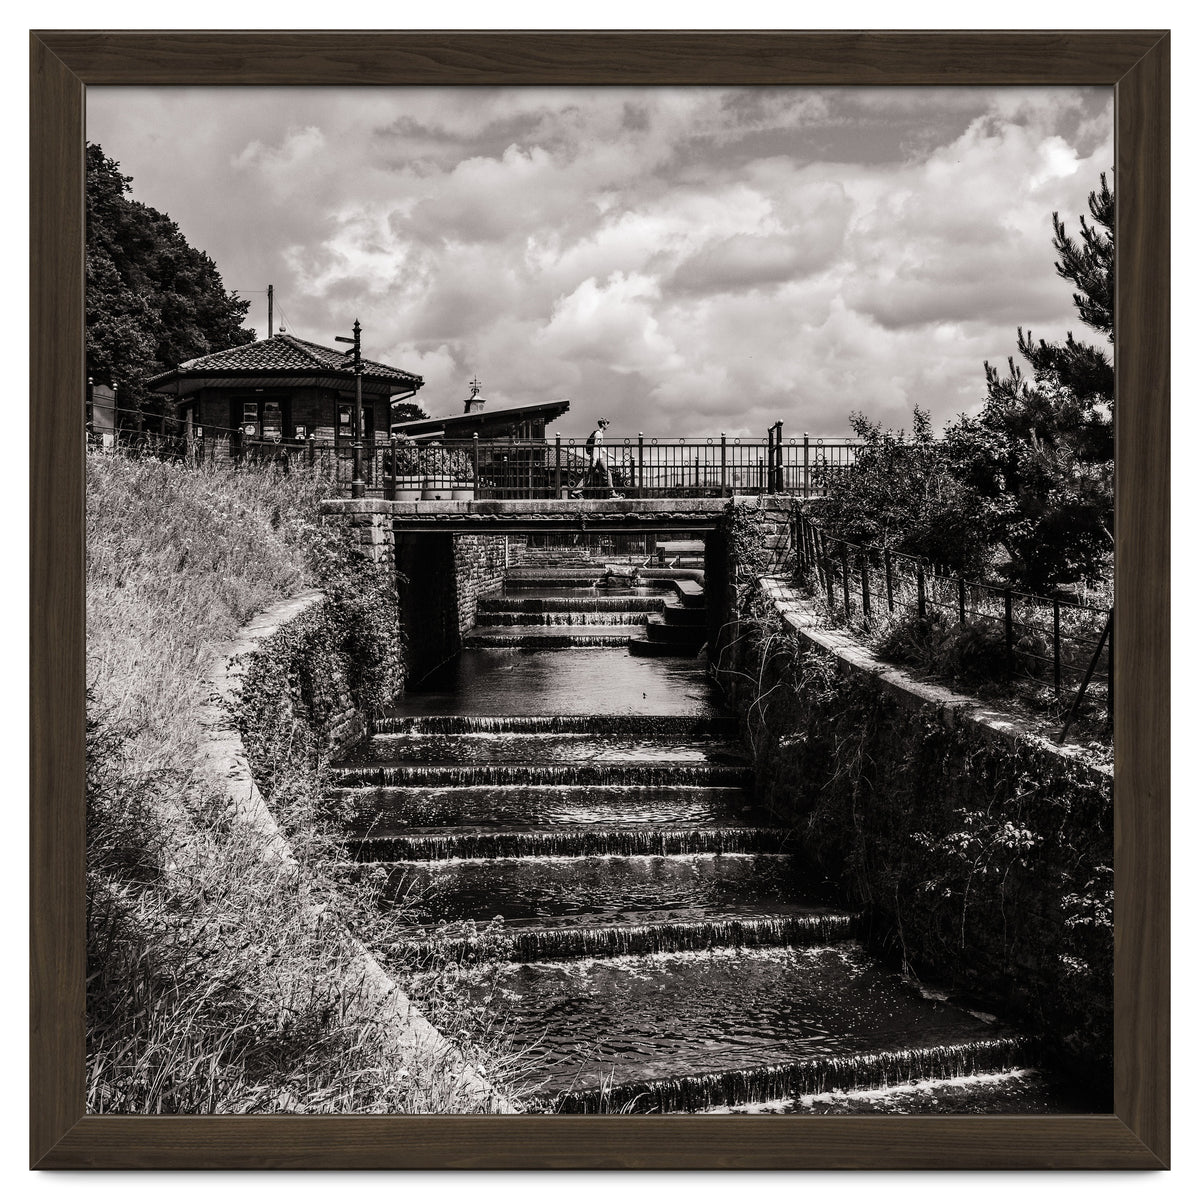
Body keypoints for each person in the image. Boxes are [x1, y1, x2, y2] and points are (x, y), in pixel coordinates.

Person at [569, 417, 622, 498]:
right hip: (598, 458)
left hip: (596, 458)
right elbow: (596, 447)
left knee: (588, 476)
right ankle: (612, 493)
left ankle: (576, 492)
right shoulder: (598, 434)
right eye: (607, 424)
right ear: (603, 424)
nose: (608, 426)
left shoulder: (599, 433)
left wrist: (610, 455)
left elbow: (600, 447)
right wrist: (594, 460)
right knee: (608, 474)